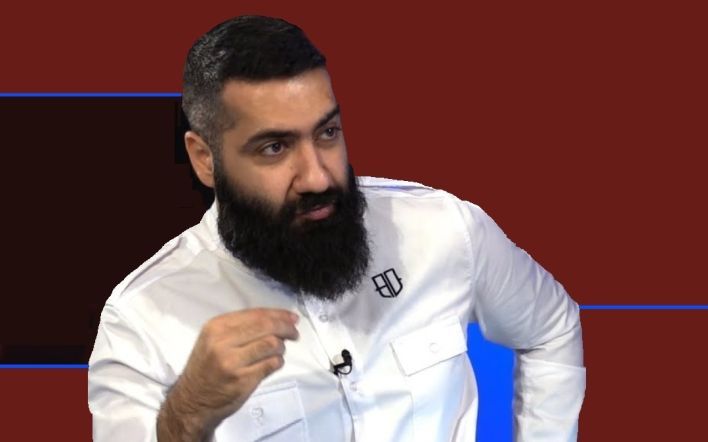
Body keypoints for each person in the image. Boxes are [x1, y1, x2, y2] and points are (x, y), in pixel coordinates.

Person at [88, 15, 585, 442]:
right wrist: (189, 411)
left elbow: (551, 327)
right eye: (274, 148)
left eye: (327, 133)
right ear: (204, 159)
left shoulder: (441, 229)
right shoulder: (141, 319)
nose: (318, 177)